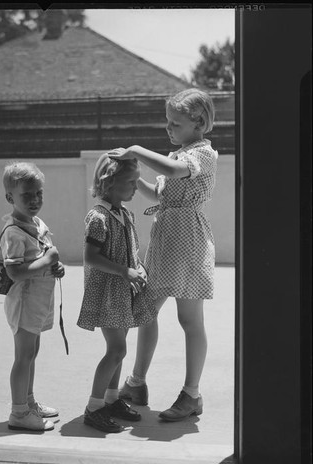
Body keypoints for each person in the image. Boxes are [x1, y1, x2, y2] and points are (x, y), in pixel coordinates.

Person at [108, 88, 218, 421]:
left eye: (176, 123)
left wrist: (137, 150)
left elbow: (173, 172)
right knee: (145, 311)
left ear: (199, 122)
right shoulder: (182, 152)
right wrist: (132, 173)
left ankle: (191, 394)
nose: (169, 128)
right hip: (166, 242)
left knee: (189, 320)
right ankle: (136, 383)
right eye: (168, 122)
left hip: (188, 244)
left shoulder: (201, 153)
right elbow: (158, 190)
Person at [77, 154, 157, 433]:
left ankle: (111, 399)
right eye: (131, 182)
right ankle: (94, 407)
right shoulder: (98, 217)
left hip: (123, 292)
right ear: (109, 183)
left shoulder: (124, 213)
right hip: (108, 293)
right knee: (117, 349)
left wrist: (138, 268)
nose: (136, 188)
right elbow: (91, 257)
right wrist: (125, 272)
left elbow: (130, 251)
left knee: (119, 350)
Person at [0, 161, 65, 431]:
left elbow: (43, 259)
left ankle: (28, 402)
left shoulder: (37, 223)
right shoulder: (14, 232)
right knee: (23, 356)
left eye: (39, 193)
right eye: (27, 195)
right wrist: (48, 259)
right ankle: (18, 412)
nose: (35, 199)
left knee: (32, 352)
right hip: (25, 302)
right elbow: (15, 272)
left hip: (39, 302)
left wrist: (54, 266)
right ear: (10, 198)